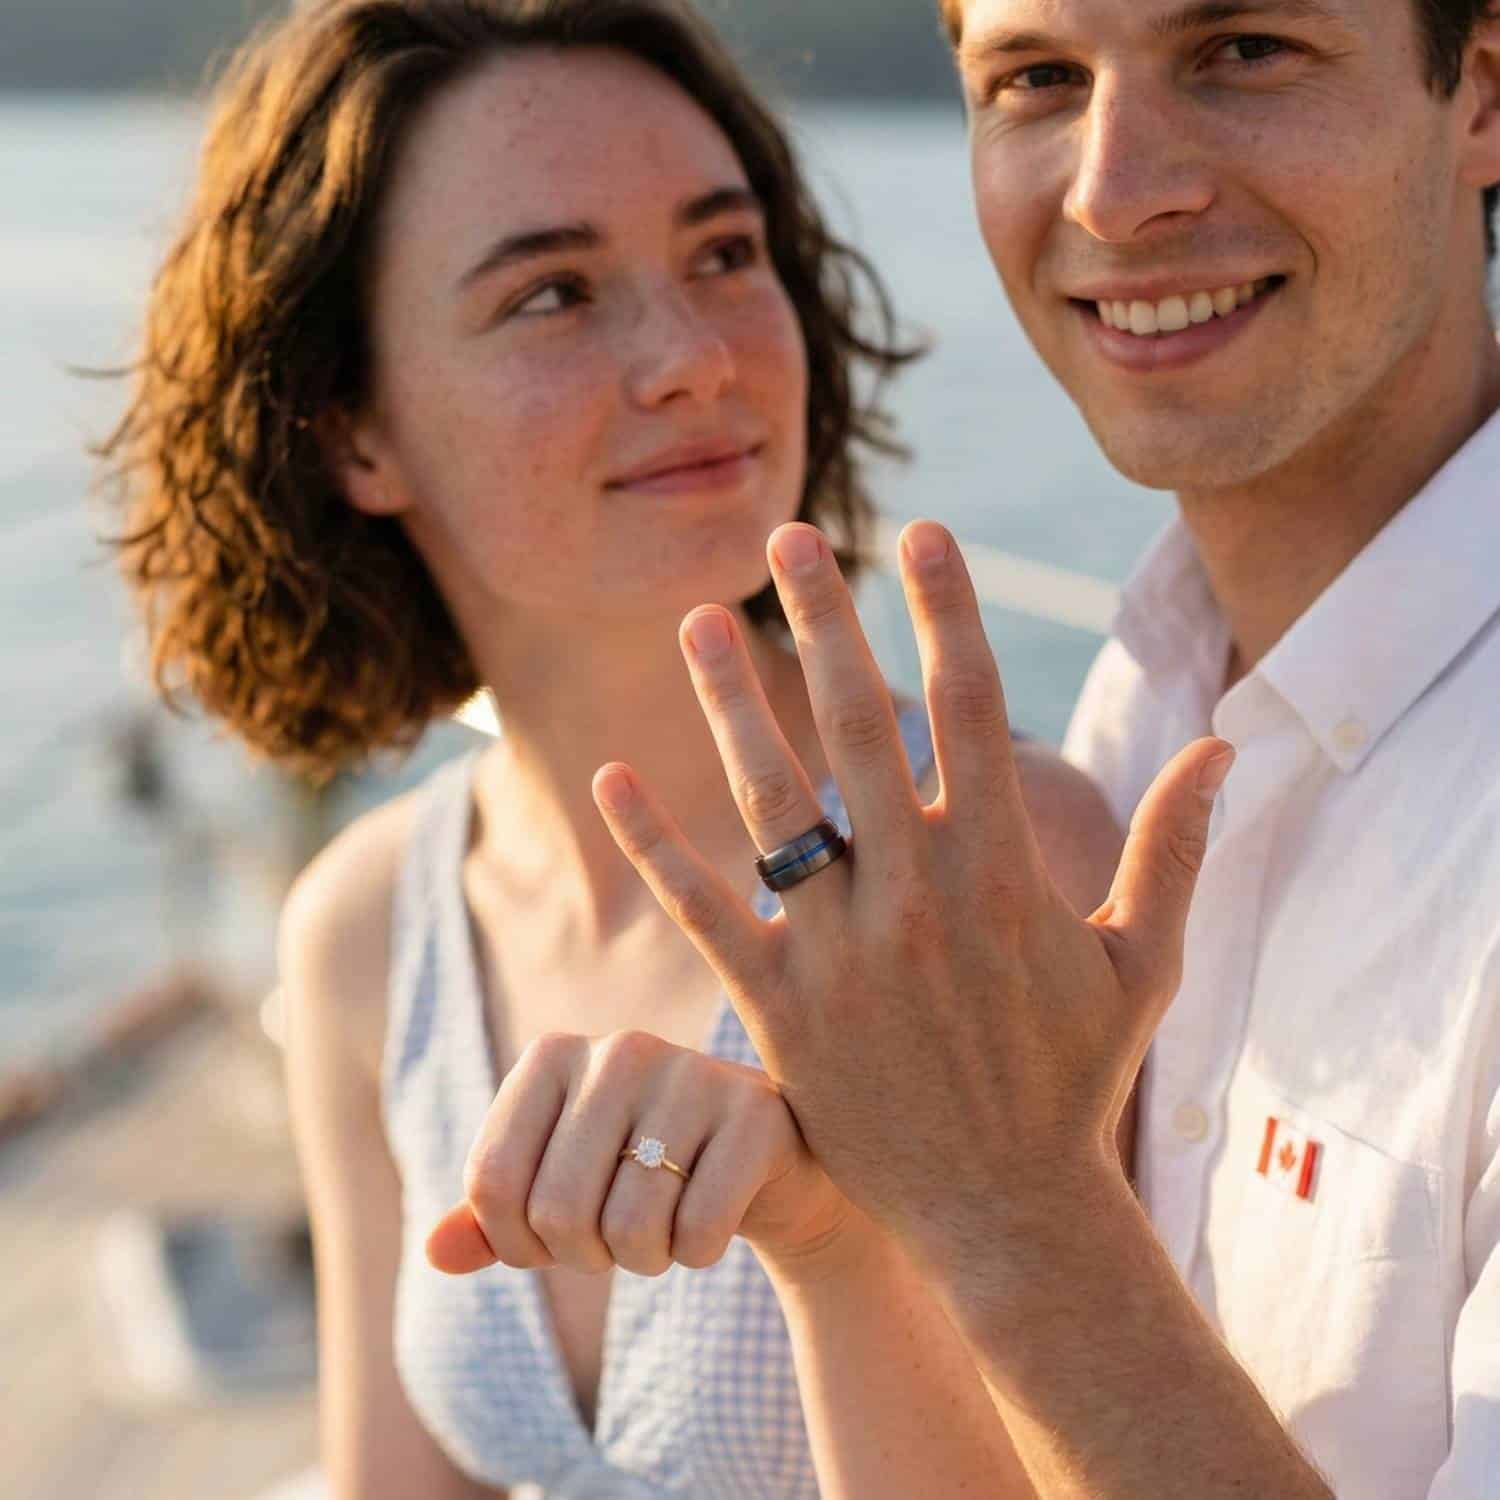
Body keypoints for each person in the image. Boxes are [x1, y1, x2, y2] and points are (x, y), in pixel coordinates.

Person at [443, 0, 1500, 1496]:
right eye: (1038, 78)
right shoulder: (1151, 706)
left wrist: (996, 1199)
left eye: (1245, 48)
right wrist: (843, 1241)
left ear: (1482, 92)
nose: (1116, 190)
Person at [95, 1, 1124, 1496]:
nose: (693, 358)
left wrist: (831, 1249)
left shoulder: (1010, 858)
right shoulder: (372, 934)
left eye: (723, 254)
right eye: (552, 294)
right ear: (354, 432)